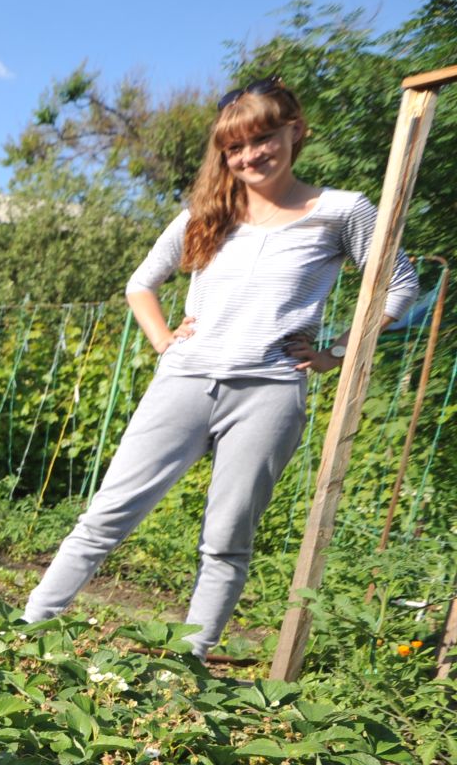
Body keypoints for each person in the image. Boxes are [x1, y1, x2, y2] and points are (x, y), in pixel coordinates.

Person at [21, 78, 418, 657]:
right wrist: (165, 344)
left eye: (262, 139)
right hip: (183, 382)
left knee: (227, 537)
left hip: (269, 392)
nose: (250, 155)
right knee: (107, 514)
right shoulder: (207, 213)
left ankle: (189, 662)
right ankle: (26, 631)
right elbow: (141, 284)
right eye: (235, 147)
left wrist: (337, 354)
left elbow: (399, 284)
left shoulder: (341, 211)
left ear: (294, 132)